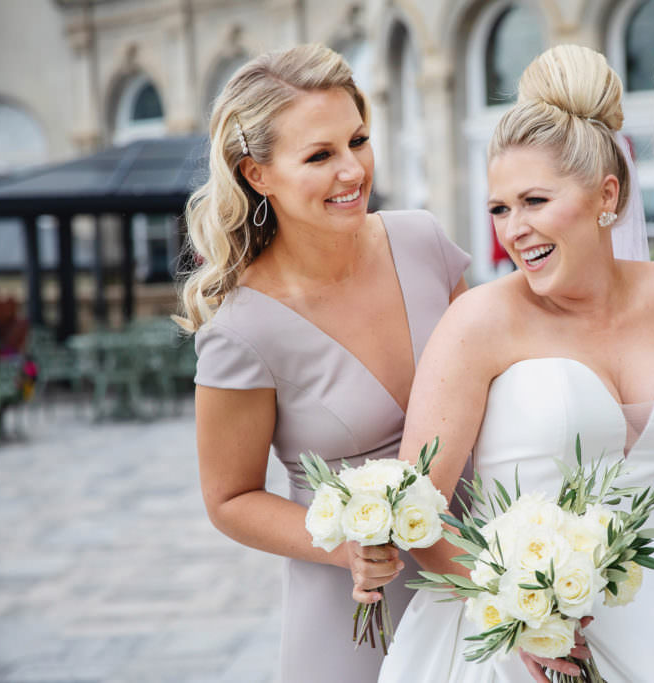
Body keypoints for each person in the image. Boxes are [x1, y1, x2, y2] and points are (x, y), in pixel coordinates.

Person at [369, 44, 654, 683]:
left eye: (534, 201)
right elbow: (418, 512)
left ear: (607, 194)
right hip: (524, 645)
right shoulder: (479, 322)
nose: (512, 230)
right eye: (500, 209)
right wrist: (518, 616)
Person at [178, 44, 469, 682]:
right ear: (257, 174)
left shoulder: (423, 242)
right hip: (359, 616)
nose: (352, 170)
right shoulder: (242, 330)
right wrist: (346, 547)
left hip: (483, 579)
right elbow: (229, 498)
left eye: (358, 141)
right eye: (319, 156)